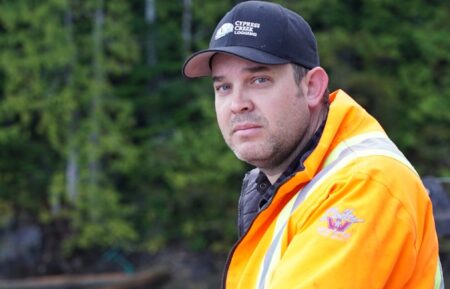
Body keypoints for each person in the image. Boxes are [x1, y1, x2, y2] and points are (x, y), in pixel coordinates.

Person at [182, 1, 444, 288]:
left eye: (259, 79)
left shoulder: (365, 183)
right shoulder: (289, 187)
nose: (237, 104)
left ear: (312, 87)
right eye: (223, 87)